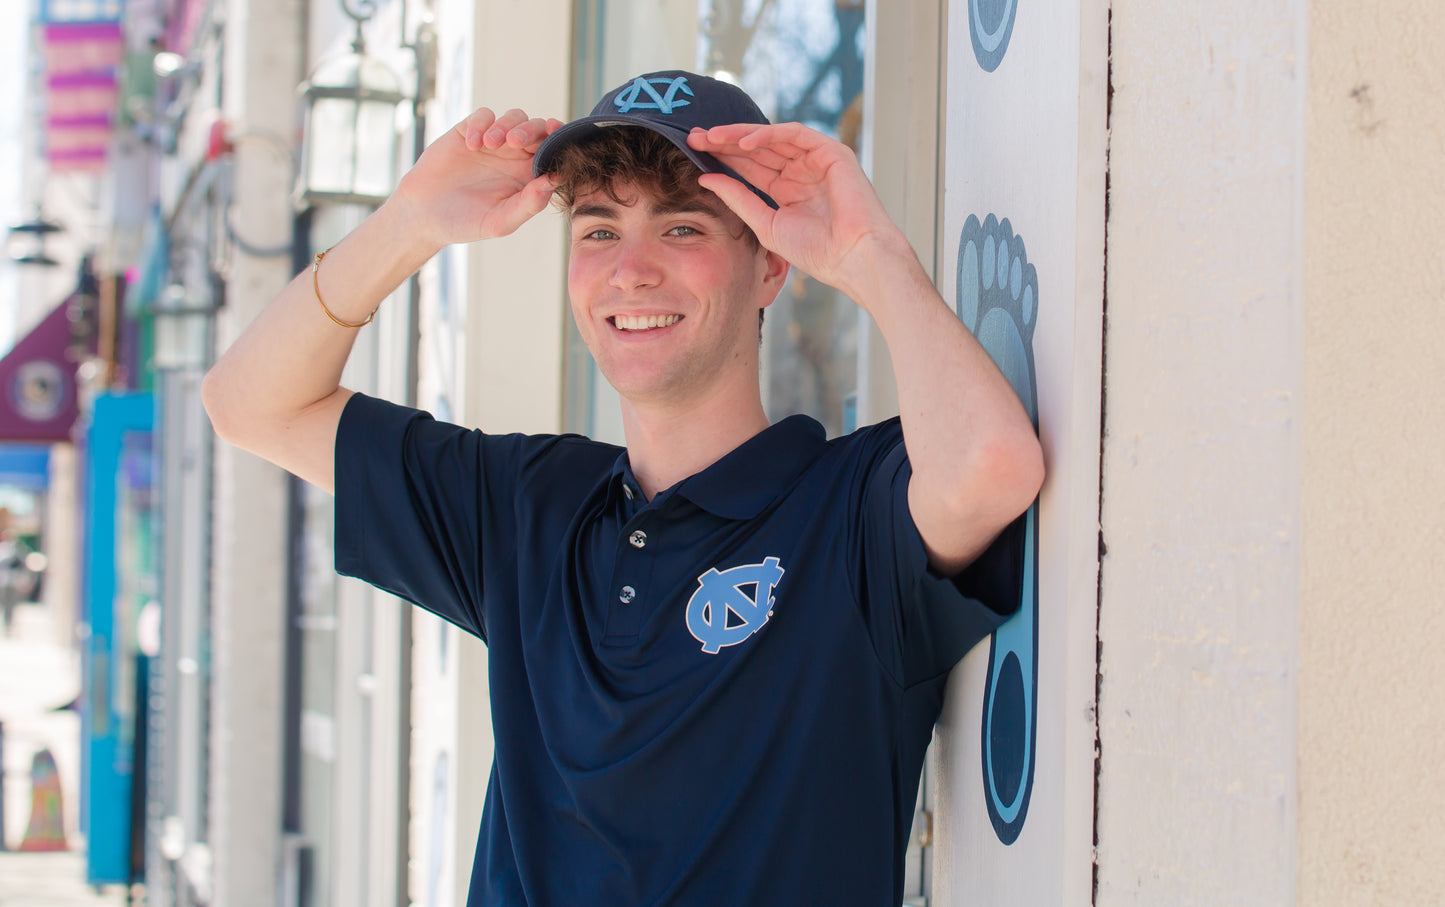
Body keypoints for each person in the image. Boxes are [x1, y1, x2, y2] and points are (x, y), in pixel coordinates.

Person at [203, 70, 1043, 906]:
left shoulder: (850, 512)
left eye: (681, 228)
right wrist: (407, 223)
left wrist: (869, 258)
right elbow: (249, 403)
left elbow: (991, 468)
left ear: (770, 269)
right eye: (598, 232)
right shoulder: (527, 507)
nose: (630, 271)